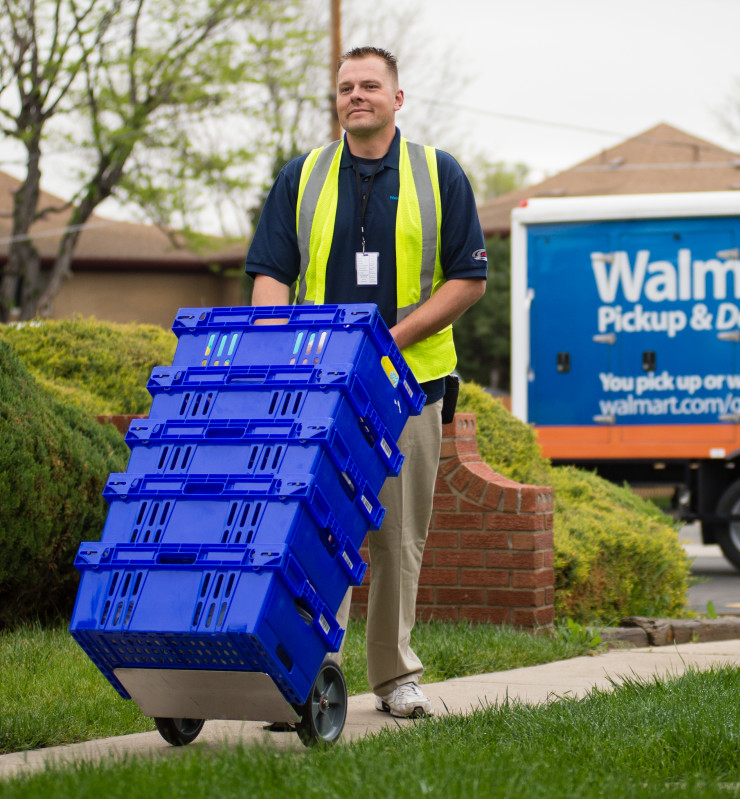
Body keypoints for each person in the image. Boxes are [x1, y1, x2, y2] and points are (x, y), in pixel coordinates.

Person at [245, 45, 487, 719]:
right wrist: (279, 350)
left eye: (370, 85)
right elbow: (270, 270)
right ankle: (309, 673)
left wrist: (384, 342)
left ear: (397, 98)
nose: (357, 94)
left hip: (410, 383)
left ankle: (395, 677)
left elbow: (468, 279)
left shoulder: (440, 175)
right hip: (321, 387)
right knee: (318, 533)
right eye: (346, 86)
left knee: (397, 535)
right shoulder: (303, 175)